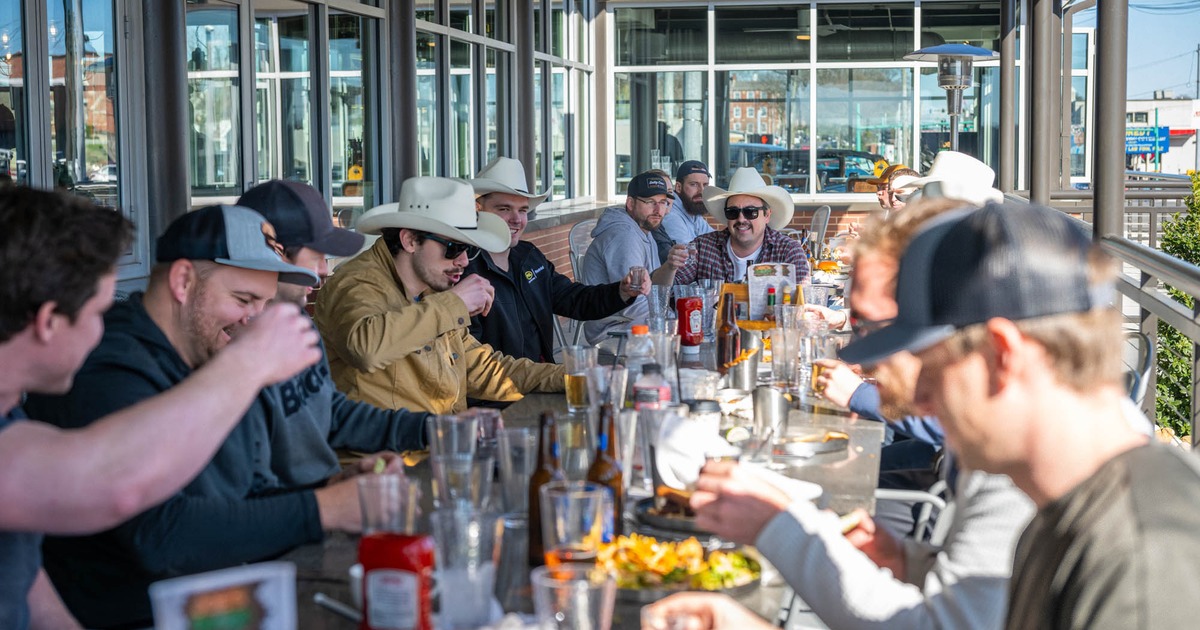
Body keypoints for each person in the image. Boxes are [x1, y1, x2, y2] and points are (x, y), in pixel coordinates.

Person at [644, 200, 1037, 630]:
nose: (868, 367)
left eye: (889, 335)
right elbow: (971, 607)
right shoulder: (1001, 456)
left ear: (997, 352)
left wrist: (780, 528)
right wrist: (911, 562)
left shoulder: (1016, 480)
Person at [838, 201, 1186, 629]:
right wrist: (908, 562)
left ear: (1004, 356)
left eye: (931, 368)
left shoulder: (1140, 562)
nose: (921, 400)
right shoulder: (1059, 506)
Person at [21, 204, 365, 629]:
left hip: (217, 600)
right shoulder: (106, 366)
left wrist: (332, 489)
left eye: (264, 302)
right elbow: (159, 534)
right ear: (182, 281)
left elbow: (244, 493)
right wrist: (325, 509)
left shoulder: (218, 355)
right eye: (243, 299)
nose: (254, 319)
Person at [236, 180, 432, 486]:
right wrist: (329, 497)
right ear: (275, 253)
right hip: (295, 522)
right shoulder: (227, 345)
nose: (325, 270)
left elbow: (329, 410)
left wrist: (430, 429)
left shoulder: (296, 318)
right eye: (316, 255)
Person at [316, 176, 564, 414]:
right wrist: (454, 303)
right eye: (454, 247)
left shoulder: (432, 286)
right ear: (410, 240)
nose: (464, 260)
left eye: (468, 248)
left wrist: (570, 377)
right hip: (387, 456)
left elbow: (482, 370)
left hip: (443, 443)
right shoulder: (355, 282)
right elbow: (365, 348)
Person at [464, 157, 642, 363]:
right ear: (478, 209)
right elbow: (475, 365)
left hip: (541, 381)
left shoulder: (528, 256)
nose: (516, 219)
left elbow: (573, 299)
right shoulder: (464, 267)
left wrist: (621, 290)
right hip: (503, 389)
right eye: (504, 209)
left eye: (522, 210)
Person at [580, 170, 689, 344]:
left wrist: (670, 267)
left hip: (634, 324)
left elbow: (654, 289)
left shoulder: (645, 230)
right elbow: (633, 304)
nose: (658, 210)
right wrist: (672, 322)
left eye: (662, 202)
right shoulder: (624, 236)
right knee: (690, 337)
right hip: (614, 331)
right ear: (630, 203)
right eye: (650, 202)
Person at [668, 166, 809, 285]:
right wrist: (670, 267)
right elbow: (668, 289)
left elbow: (805, 301)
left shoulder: (788, 251)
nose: (741, 219)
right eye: (733, 212)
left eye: (750, 212)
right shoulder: (702, 247)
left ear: (766, 215)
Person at [659, 159, 714, 247]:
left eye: (705, 185)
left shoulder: (692, 211)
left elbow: (715, 239)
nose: (701, 191)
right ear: (678, 187)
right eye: (694, 184)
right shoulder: (670, 214)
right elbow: (689, 254)